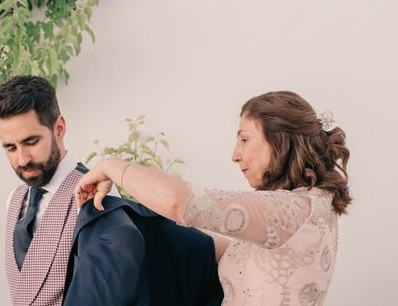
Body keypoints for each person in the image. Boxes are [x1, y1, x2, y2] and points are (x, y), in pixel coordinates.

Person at [75, 91, 351, 305]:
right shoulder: (309, 207)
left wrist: (110, 165)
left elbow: (181, 202)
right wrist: (147, 219)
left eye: (244, 139)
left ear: (280, 141)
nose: (235, 155)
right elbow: (230, 250)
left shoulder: (292, 210)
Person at [0, 75, 223, 306]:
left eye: (31, 142)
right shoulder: (15, 200)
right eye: (10, 147)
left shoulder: (99, 198)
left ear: (59, 128)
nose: (22, 159)